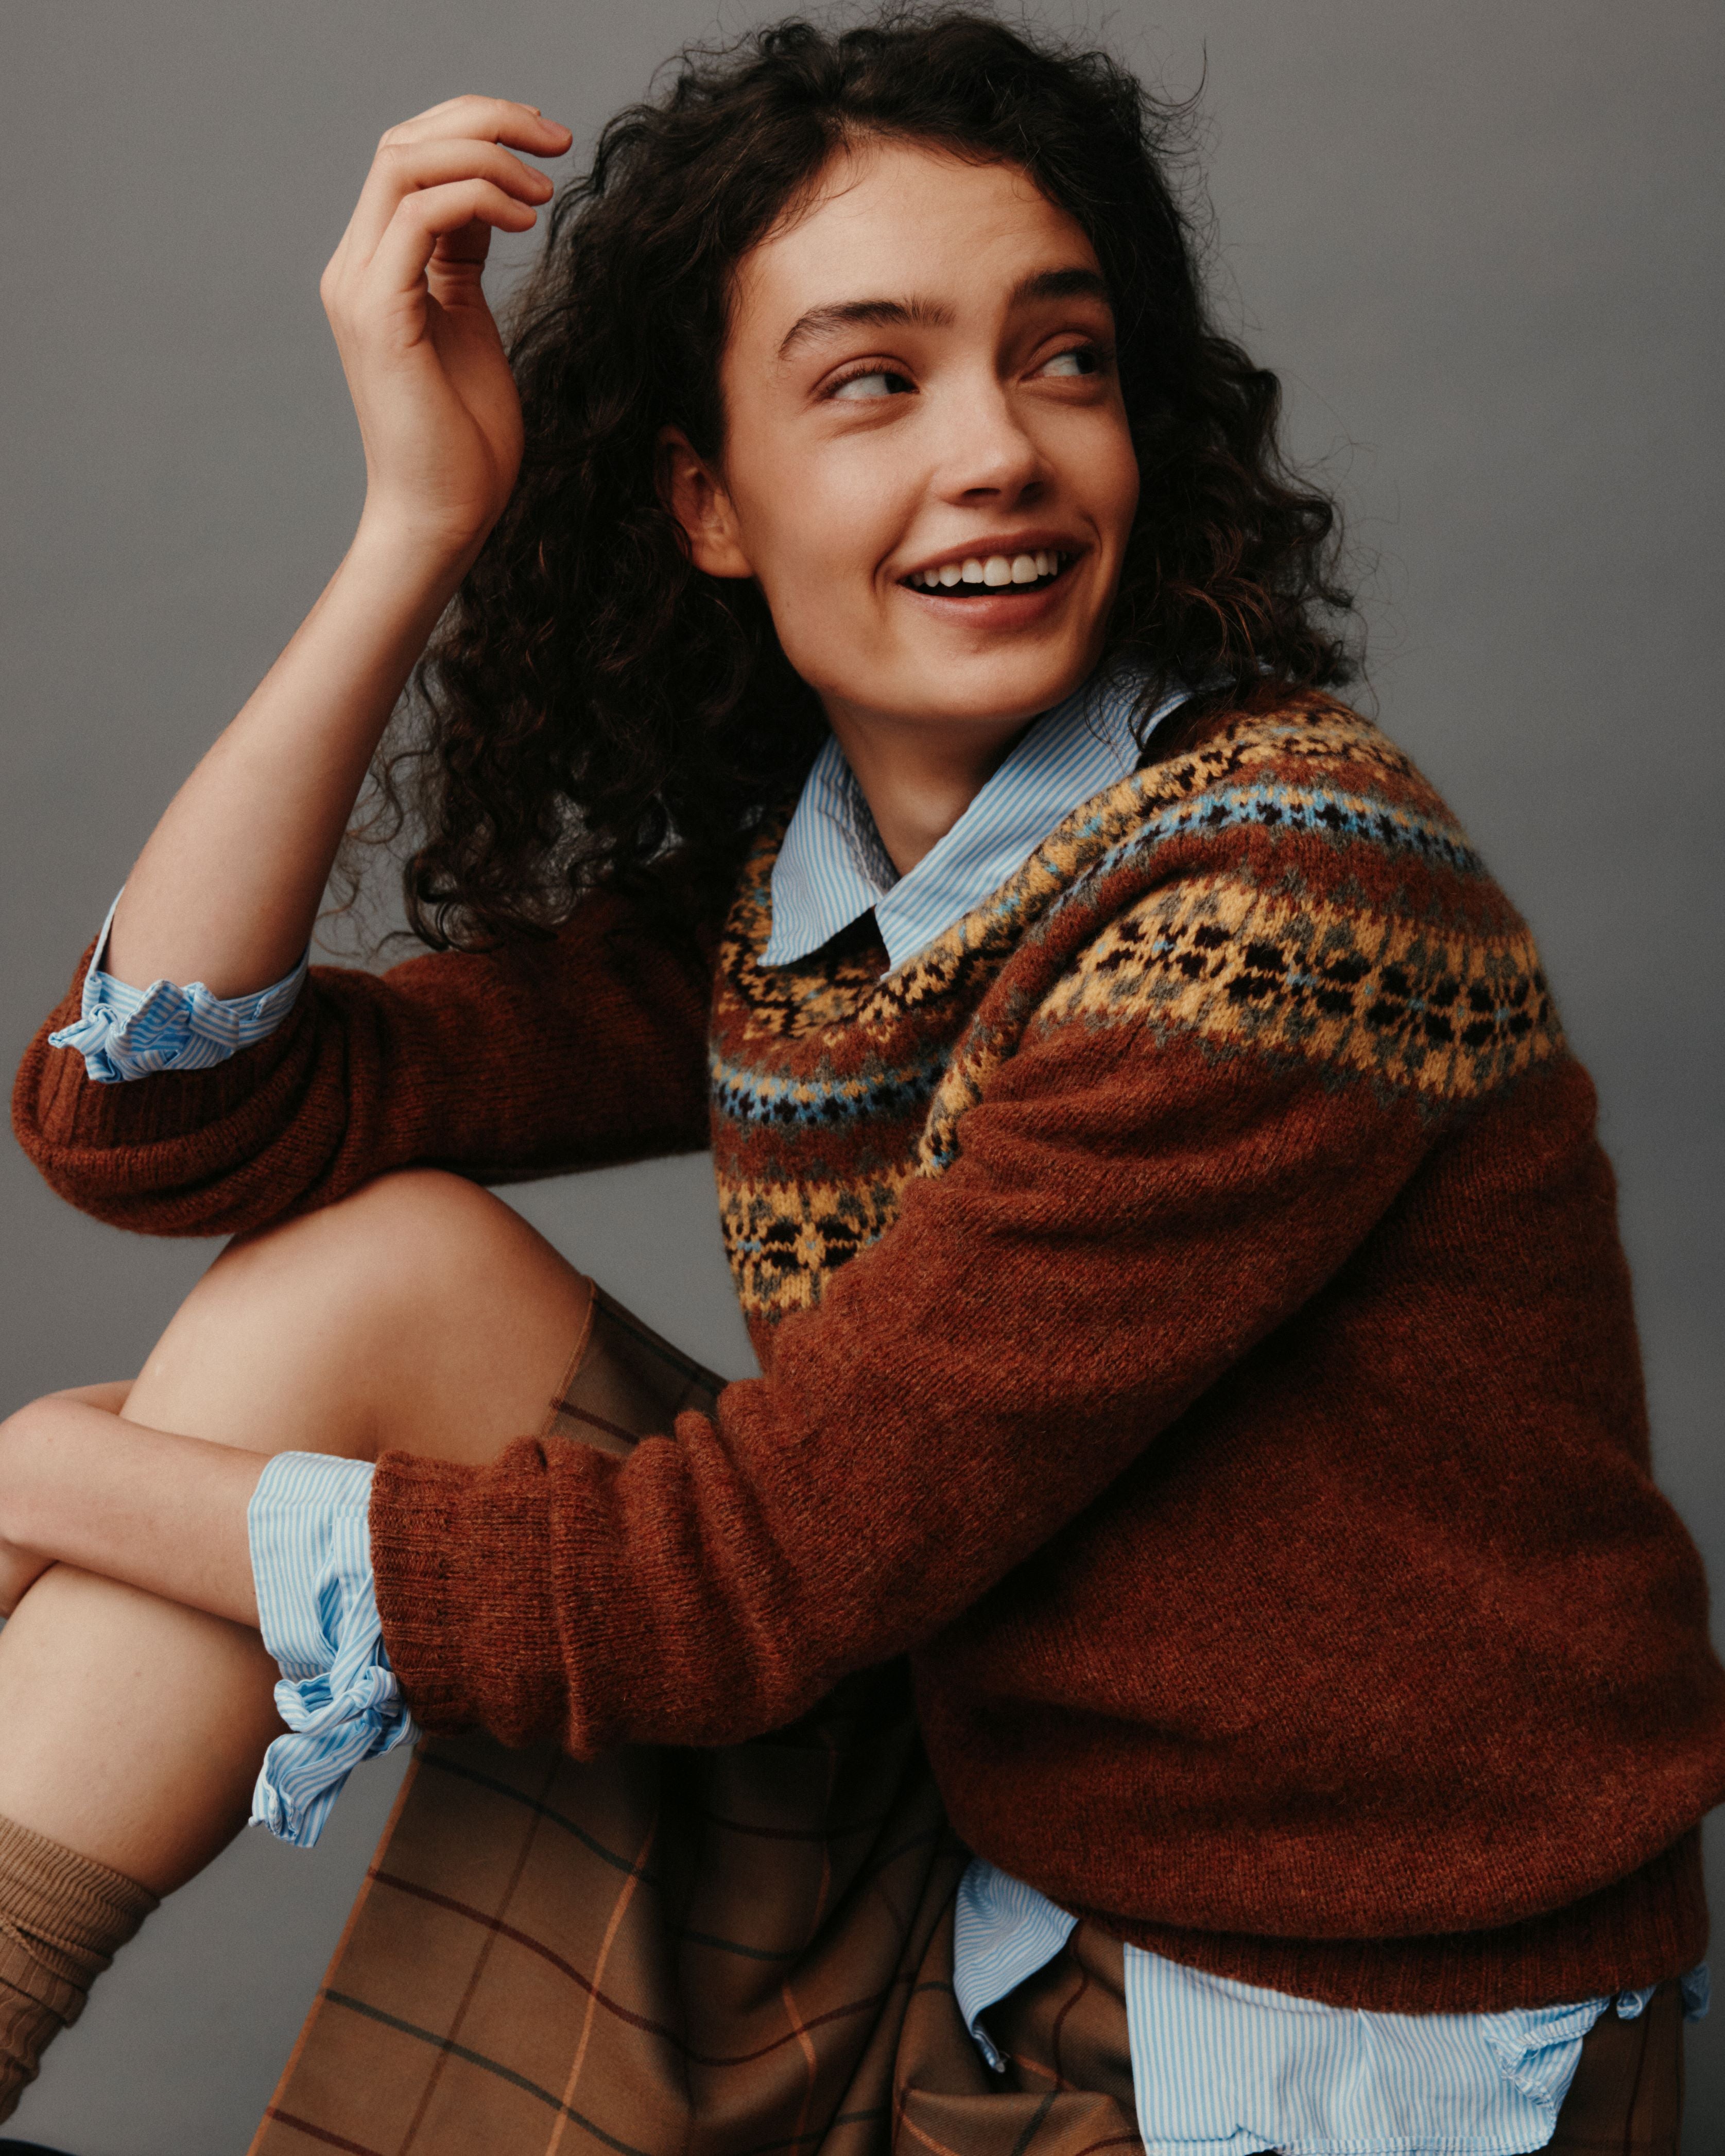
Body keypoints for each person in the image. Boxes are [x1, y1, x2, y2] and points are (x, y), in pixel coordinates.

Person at [2, 10, 1720, 2152]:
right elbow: (163, 1117)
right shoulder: (833, 888)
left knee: (273, 1477)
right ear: (710, 505)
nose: (999, 449)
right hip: (985, 1895)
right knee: (364, 1276)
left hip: (1330, 2043)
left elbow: (710, 1601)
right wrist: (409, 533)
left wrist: (50, 1474)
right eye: (873, 381)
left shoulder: (1282, 897)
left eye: (1062, 360)